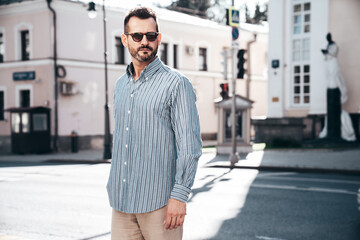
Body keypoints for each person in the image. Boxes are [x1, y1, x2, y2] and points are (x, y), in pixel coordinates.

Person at [106, 6, 202, 240]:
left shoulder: (177, 84)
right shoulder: (121, 85)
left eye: (150, 36)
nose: (144, 42)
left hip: (160, 205)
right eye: (137, 36)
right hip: (121, 203)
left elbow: (189, 146)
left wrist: (179, 196)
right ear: (125, 39)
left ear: (158, 39)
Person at [319, 33, 355, 141]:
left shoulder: (334, 46)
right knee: (330, 77)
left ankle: (339, 134)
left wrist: (327, 52)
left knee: (334, 76)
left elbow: (333, 53)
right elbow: (327, 55)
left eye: (329, 37)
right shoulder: (328, 46)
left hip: (333, 65)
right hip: (329, 67)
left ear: (331, 38)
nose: (328, 39)